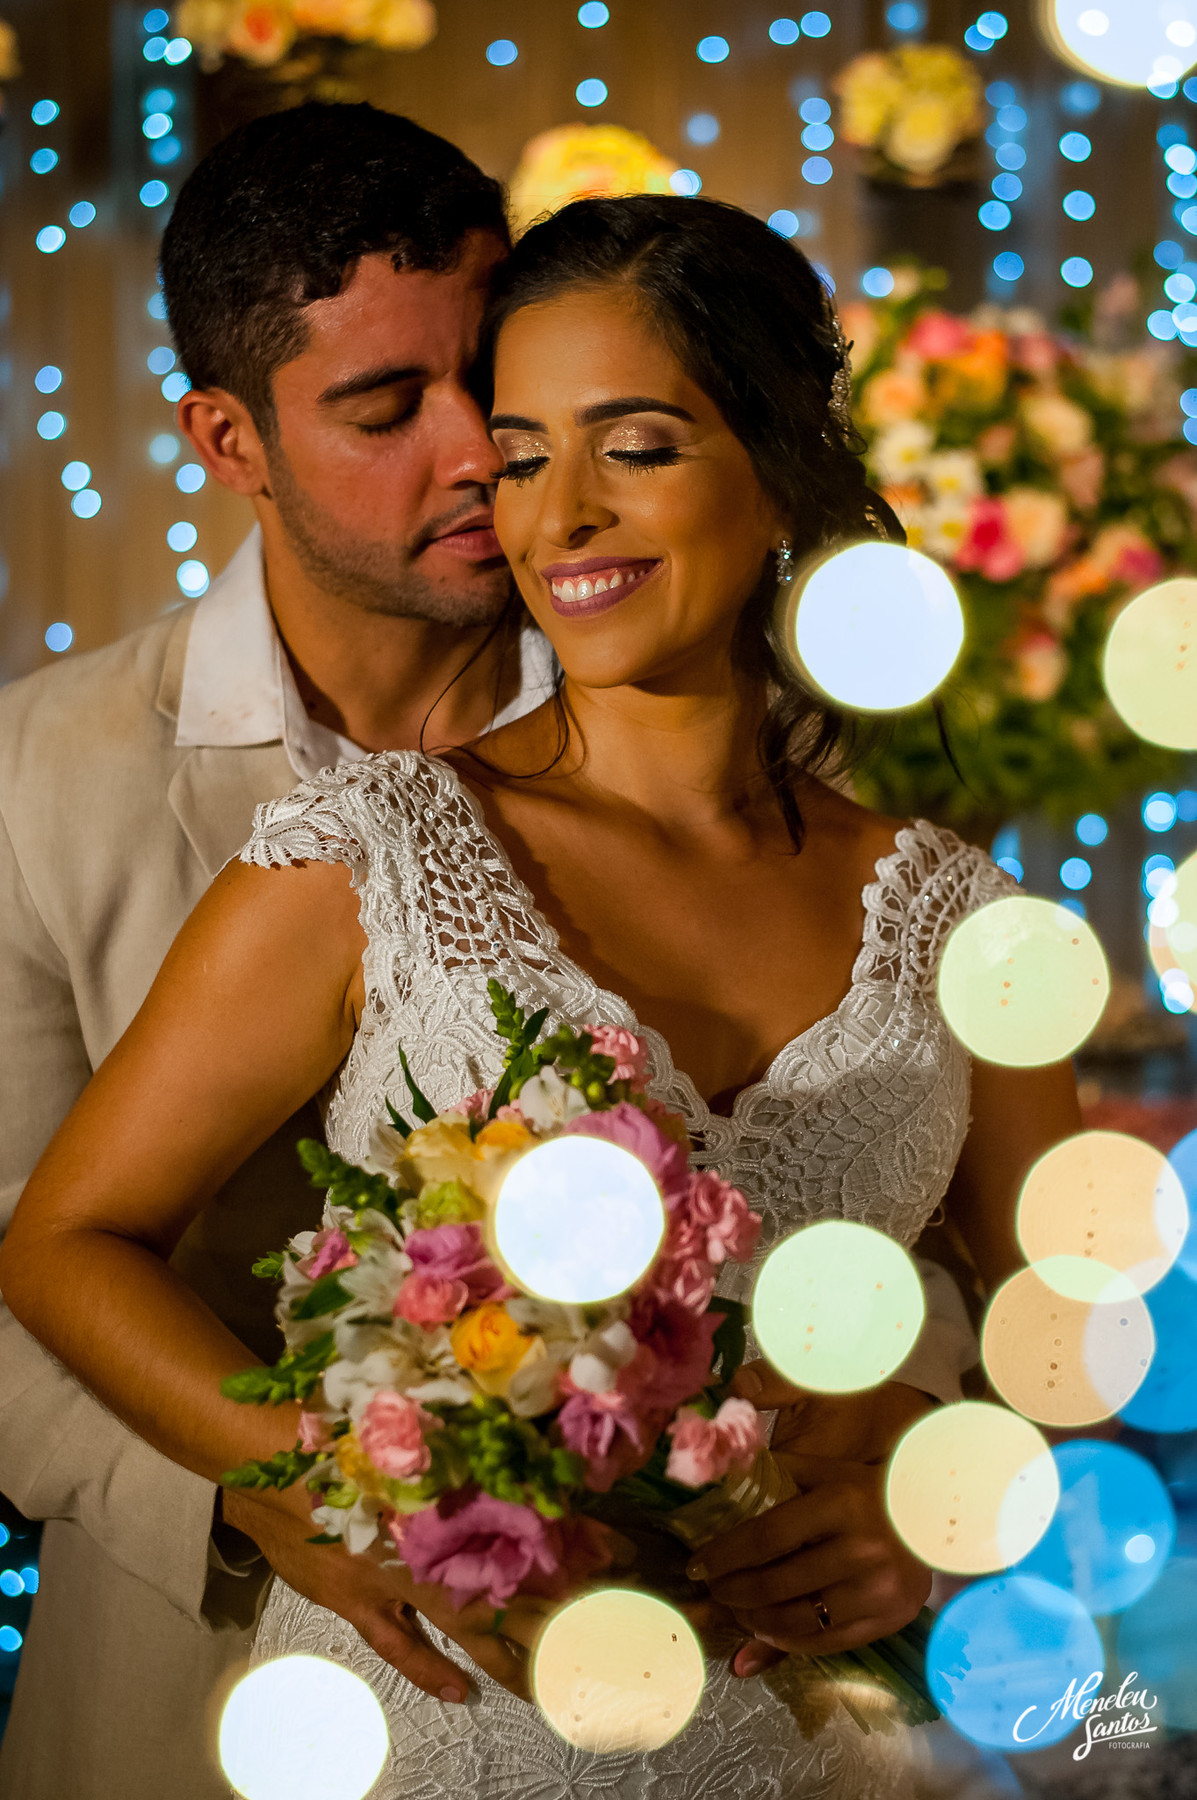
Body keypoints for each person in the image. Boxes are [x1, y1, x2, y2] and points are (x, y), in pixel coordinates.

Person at [3, 192, 1082, 1795]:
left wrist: (953, 1494)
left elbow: (1068, 1335)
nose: (557, 512)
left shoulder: (962, 922)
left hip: (796, 1744)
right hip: (424, 1726)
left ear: (779, 465)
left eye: (632, 445)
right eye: (520, 459)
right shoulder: (374, 851)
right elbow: (62, 1241)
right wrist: (302, 1475)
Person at [0, 102, 561, 1800]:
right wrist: (251, 1491)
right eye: (384, 407)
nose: (475, 450)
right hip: (191, 1683)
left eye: (494, 376)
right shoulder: (39, 776)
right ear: (228, 441)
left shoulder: (702, 739)